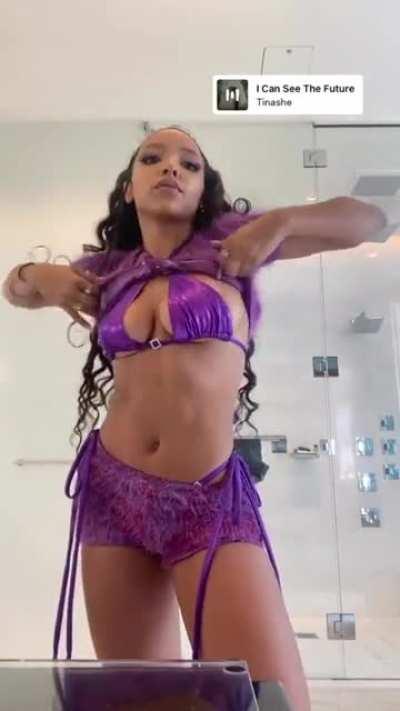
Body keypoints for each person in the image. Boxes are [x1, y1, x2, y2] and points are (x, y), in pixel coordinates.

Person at [3, 125, 386, 711]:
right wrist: (42, 277)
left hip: (206, 499)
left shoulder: (233, 244)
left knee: (267, 700)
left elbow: (369, 220)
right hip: (112, 494)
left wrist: (281, 222)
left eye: (189, 163)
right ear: (129, 188)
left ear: (204, 187)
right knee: (139, 701)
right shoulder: (107, 270)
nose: (171, 168)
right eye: (152, 158)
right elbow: (15, 289)